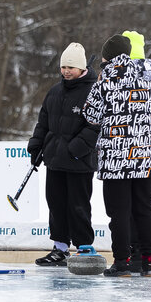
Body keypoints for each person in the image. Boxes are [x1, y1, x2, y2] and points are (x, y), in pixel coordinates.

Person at [82, 34, 151, 277]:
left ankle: (122, 262)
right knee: (145, 209)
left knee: (119, 213)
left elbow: (91, 116)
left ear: (108, 57)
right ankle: (150, 261)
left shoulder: (105, 81)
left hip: (115, 160)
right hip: (145, 158)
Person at [27, 42, 99, 266]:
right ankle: (60, 248)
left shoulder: (92, 91)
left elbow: (95, 126)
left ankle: (84, 247)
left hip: (79, 161)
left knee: (77, 205)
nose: (66, 71)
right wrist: (37, 146)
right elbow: (44, 122)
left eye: (71, 67)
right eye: (63, 67)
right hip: (55, 160)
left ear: (81, 68)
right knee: (56, 204)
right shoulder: (55, 91)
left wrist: (75, 149)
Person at [123, 30, 151, 272]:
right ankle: (149, 252)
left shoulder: (124, 80)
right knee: (148, 203)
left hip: (134, 152)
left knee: (132, 203)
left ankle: (138, 249)